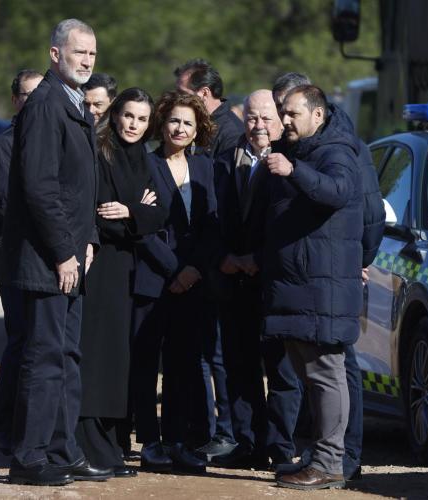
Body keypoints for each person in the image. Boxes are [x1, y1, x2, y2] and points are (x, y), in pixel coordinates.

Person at [0, 18, 111, 486]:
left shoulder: (75, 103)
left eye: (92, 53)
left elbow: (80, 188)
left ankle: (65, 451)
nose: (86, 60)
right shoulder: (46, 103)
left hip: (71, 255)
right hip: (48, 259)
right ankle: (29, 458)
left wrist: (88, 240)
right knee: (44, 357)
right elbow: (40, 187)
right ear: (54, 54)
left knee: (66, 356)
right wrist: (64, 251)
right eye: (78, 51)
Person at [272, 72, 385, 481]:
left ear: (317, 115)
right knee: (311, 374)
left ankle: (331, 462)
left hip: (324, 285)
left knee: (327, 373)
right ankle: (320, 456)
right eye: (282, 113)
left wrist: (293, 171)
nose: (285, 120)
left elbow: (338, 192)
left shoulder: (336, 150)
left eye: (293, 113)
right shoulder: (301, 147)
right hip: (303, 284)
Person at [75, 87, 168, 478]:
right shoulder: (100, 154)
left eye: (142, 119)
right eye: (128, 115)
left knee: (121, 360)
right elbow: (98, 215)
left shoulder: (144, 159)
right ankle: (89, 445)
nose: (134, 124)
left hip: (130, 270)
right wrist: (137, 213)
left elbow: (159, 214)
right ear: (115, 116)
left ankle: (113, 444)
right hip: (101, 269)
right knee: (98, 357)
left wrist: (130, 212)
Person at [131, 91, 217, 473]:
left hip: (193, 283)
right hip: (154, 280)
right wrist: (176, 269)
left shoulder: (205, 167)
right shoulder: (145, 164)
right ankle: (150, 442)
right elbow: (142, 227)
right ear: (162, 124)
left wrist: (194, 268)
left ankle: (177, 440)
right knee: (146, 363)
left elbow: (213, 224)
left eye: (188, 123)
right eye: (174, 121)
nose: (180, 128)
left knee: (182, 365)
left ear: (198, 130)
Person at [210, 90, 284, 468]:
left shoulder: (289, 162)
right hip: (233, 280)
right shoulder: (224, 160)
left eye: (266, 118)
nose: (259, 126)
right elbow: (211, 216)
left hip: (273, 282)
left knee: (281, 372)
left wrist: (259, 259)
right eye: (252, 118)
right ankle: (247, 442)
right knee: (239, 367)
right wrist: (225, 257)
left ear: (280, 119)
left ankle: (279, 447)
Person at [174, 58, 239, 454]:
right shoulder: (208, 131)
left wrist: (211, 259)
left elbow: (224, 206)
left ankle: (226, 432)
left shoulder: (227, 134)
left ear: (202, 93)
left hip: (218, 266)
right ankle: (205, 429)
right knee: (204, 351)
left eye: (183, 94)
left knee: (218, 355)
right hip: (203, 263)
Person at [0, 68, 43, 456]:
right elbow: (9, 209)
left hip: (39, 258)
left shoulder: (43, 142)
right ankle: (3, 429)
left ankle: (24, 427)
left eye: (40, 96)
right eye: (27, 96)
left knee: (36, 343)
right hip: (14, 260)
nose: (34, 103)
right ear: (15, 101)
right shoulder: (5, 146)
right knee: (21, 340)